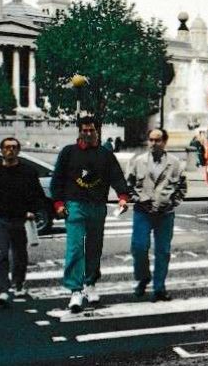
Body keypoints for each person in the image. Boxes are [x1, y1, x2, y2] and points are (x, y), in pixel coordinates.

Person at [52, 116, 131, 313]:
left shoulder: (105, 154)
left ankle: (90, 283)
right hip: (75, 205)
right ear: (79, 131)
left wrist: (122, 197)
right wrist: (59, 203)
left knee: (94, 248)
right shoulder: (68, 152)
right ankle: (75, 290)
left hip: (97, 205)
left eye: (91, 130)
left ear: (97, 131)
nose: (88, 133)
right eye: (84, 130)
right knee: (75, 248)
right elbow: (58, 179)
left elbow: (116, 176)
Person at [0, 137, 47, 307]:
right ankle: (1, 291)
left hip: (21, 218)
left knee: (20, 254)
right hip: (0, 218)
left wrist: (32, 210)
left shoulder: (28, 172)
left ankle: (18, 284)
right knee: (1, 254)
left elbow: (38, 195)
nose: (10, 150)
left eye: (14, 147)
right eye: (7, 147)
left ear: (18, 150)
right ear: (2, 150)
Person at [126, 128, 186, 302]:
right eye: (151, 140)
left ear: (164, 142)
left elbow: (182, 187)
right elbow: (129, 185)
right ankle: (143, 277)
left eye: (157, 140)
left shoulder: (175, 163)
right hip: (142, 212)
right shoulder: (138, 161)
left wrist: (171, 203)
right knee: (139, 247)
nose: (153, 143)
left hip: (165, 214)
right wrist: (138, 199)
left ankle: (159, 287)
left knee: (163, 251)